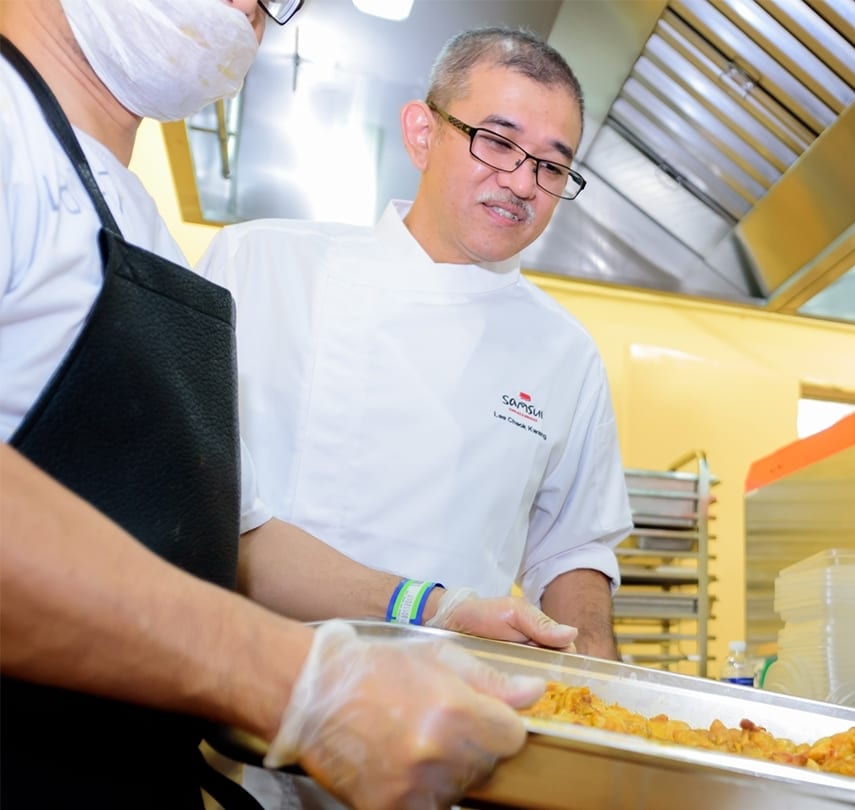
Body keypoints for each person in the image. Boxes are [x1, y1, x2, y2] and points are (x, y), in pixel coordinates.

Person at [0, 2, 575, 808]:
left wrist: (437, 609)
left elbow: (233, 540)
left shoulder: (136, 222)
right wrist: (298, 683)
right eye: (499, 142)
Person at [196, 29, 633, 657]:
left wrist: (599, 692)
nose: (521, 182)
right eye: (498, 141)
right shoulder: (260, 264)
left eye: (552, 165)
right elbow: (201, 501)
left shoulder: (566, 353)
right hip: (250, 687)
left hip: (450, 711)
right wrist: (434, 608)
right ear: (422, 133)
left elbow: (573, 549)